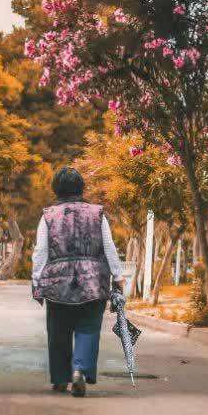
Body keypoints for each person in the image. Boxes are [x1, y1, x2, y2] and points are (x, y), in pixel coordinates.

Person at [31, 167, 125, 397]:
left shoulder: (48, 216)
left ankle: (61, 378)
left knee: (58, 330)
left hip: (57, 281)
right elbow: (109, 247)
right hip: (93, 280)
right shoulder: (97, 214)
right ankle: (79, 371)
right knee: (89, 327)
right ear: (81, 188)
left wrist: (37, 281)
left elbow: (40, 252)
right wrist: (118, 277)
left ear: (56, 189)